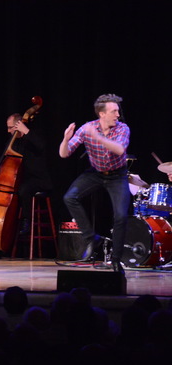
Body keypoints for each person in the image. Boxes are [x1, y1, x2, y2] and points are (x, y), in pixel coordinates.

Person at [59, 93, 130, 273]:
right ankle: (92, 238)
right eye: (114, 111)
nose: (117, 114)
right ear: (102, 114)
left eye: (117, 111)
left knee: (121, 216)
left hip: (117, 175)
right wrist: (66, 139)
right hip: (96, 173)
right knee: (70, 197)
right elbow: (64, 154)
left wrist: (98, 138)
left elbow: (120, 149)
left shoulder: (122, 128)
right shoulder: (87, 128)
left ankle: (116, 260)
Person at [0, 113, 53, 235]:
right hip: (21, 179)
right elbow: (3, 158)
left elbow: (42, 146)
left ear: (18, 125)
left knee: (24, 189)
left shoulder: (33, 135)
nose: (8, 130)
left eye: (11, 127)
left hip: (39, 179)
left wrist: (26, 131)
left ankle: (27, 221)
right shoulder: (13, 141)